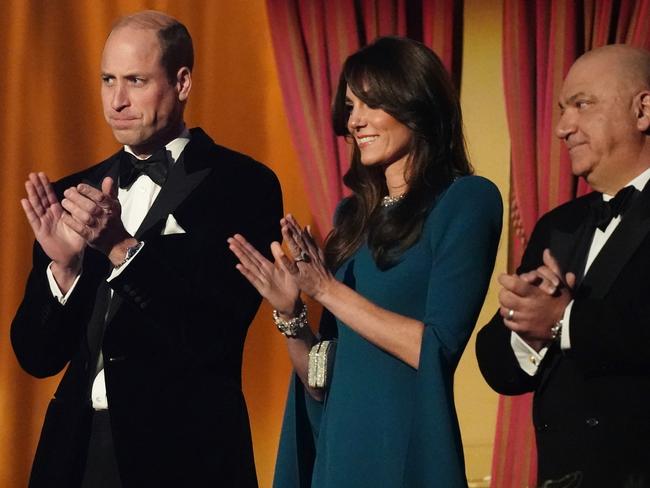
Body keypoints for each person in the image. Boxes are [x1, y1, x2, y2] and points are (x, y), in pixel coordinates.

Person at [10, 10, 282, 488]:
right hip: (73, 456)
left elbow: (211, 331)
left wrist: (119, 247)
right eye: (108, 80)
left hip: (185, 457)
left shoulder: (243, 185)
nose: (117, 100)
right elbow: (37, 357)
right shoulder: (76, 193)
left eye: (135, 80)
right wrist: (64, 266)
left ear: (182, 82)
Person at [228, 36, 502, 487]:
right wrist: (292, 314)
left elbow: (435, 348)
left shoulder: (466, 201)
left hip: (403, 451)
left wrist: (329, 291)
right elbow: (321, 378)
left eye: (370, 104)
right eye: (351, 106)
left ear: (416, 103)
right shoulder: (351, 217)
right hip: (338, 454)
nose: (354, 121)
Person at [475, 44, 650, 487]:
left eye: (582, 105)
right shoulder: (559, 225)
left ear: (643, 110)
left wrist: (563, 320)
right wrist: (524, 327)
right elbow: (499, 365)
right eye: (561, 110)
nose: (561, 128)